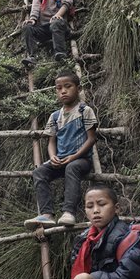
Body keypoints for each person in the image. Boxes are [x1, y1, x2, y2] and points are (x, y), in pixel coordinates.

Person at [24, 71, 97, 230]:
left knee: (72, 167)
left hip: (81, 160)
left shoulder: (85, 111)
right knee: (39, 172)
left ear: (78, 88)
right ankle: (47, 214)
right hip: (60, 160)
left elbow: (91, 139)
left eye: (68, 86)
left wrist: (74, 157)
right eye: (58, 88)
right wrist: (53, 156)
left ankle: (68, 212)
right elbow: (52, 141)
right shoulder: (55, 116)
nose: (63, 91)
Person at [21, 0, 73, 66]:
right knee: (27, 27)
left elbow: (67, 4)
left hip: (60, 26)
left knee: (56, 23)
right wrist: (33, 19)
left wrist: (58, 15)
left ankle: (60, 52)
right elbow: (35, 7)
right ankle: (32, 56)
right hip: (44, 28)